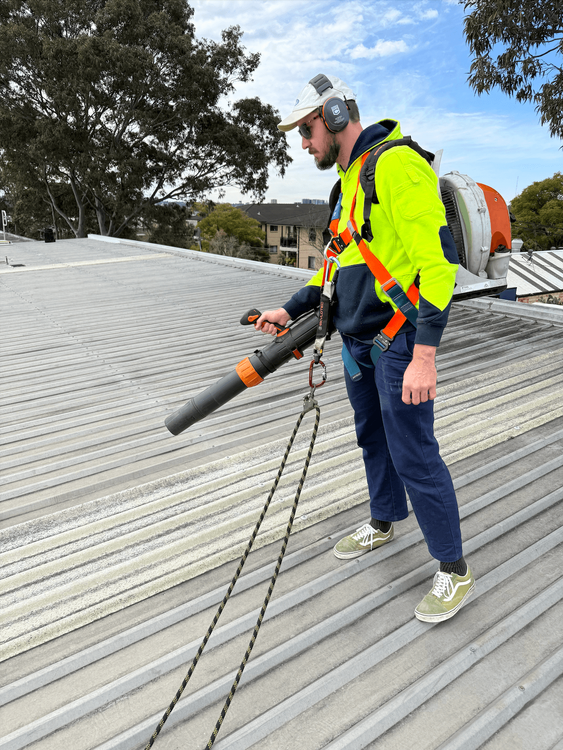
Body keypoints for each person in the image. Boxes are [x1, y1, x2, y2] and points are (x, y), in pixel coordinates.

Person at [255, 74, 475, 623]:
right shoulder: (345, 186)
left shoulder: (396, 166)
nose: (303, 145)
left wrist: (425, 354)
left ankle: (453, 569)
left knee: (414, 454)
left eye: (306, 132)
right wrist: (291, 307)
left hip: (400, 341)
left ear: (332, 116)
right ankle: (383, 519)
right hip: (358, 344)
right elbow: (336, 268)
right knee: (372, 440)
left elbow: (438, 265)